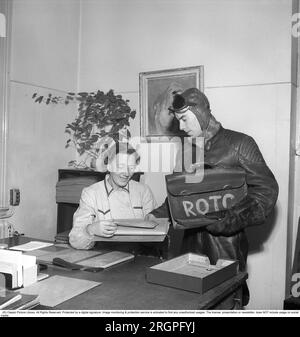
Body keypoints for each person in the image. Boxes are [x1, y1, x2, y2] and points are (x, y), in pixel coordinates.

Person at [147, 88, 279, 308]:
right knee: (189, 304)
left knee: (225, 302)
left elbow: (267, 191)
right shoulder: (187, 151)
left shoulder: (240, 144)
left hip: (226, 246)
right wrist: (155, 216)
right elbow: (178, 197)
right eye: (178, 121)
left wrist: (232, 218)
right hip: (189, 246)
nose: (181, 127)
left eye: (184, 119)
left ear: (200, 113)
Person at [69, 142, 157, 250]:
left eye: (131, 167)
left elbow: (156, 232)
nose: (126, 173)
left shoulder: (143, 191)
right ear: (109, 166)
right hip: (105, 255)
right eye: (121, 166)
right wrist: (90, 230)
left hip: (142, 254)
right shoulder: (91, 193)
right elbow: (75, 241)